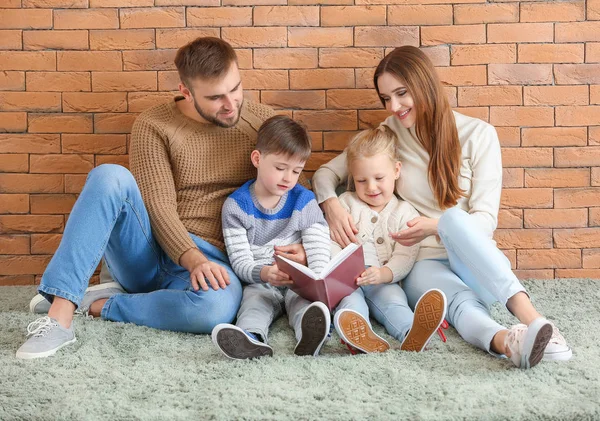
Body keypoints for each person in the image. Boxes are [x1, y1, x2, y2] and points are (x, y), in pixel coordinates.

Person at [16, 37, 306, 360]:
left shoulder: (263, 124)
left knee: (219, 306)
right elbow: (157, 205)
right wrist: (191, 256)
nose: (231, 103)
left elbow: (294, 188)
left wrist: (304, 241)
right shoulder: (154, 125)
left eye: (236, 88)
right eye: (215, 97)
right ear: (186, 91)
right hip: (148, 252)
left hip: (217, 263)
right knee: (109, 176)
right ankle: (60, 314)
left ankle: (103, 304)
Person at [312, 46, 572, 369]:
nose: (393, 107)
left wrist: (436, 226)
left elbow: (485, 222)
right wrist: (333, 207)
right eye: (386, 98)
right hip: (423, 263)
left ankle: (535, 320)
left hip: (477, 262)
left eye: (401, 93)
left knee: (452, 220)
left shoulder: (479, 135)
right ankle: (510, 343)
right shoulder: (389, 134)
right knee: (460, 306)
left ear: (424, 85)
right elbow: (325, 174)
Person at [212, 115, 332, 360]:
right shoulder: (236, 206)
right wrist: (264, 273)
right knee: (254, 302)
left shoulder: (303, 200)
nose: (288, 178)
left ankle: (313, 335)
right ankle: (251, 338)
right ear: (257, 159)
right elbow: (240, 261)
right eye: (280, 168)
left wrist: (316, 283)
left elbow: (318, 244)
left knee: (305, 305)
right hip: (260, 280)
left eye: (296, 171)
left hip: (297, 280)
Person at [331, 127, 447, 354]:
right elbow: (332, 239)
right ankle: (359, 334)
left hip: (383, 279)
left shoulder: (405, 212)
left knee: (394, 302)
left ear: (396, 170)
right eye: (361, 180)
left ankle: (410, 331)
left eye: (379, 178)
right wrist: (339, 264)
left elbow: (405, 255)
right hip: (346, 279)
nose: (371, 187)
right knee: (349, 305)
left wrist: (384, 274)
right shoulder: (345, 203)